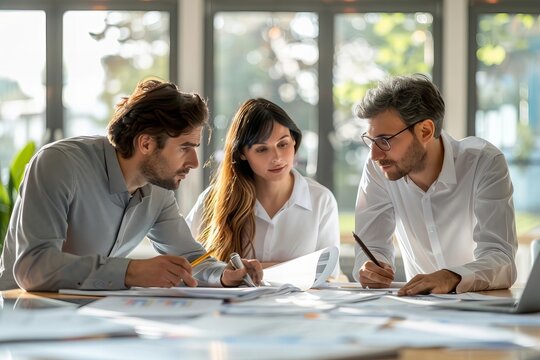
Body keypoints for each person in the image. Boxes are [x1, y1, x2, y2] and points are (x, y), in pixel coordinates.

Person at [0, 79, 262, 291]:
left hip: (96, 319)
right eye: (185, 148)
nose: (194, 162)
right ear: (146, 144)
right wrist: (130, 271)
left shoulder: (159, 187)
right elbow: (34, 267)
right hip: (24, 314)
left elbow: (191, 258)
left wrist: (225, 275)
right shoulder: (59, 163)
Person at [352, 74, 517, 295]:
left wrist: (451, 276)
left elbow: (501, 259)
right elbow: (371, 247)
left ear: (425, 131)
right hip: (417, 309)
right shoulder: (379, 168)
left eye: (384, 140)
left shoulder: (484, 162)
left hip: (480, 305)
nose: (374, 154)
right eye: (371, 140)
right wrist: (371, 267)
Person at [186, 98, 342, 279]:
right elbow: (188, 265)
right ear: (242, 154)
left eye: (283, 144)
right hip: (233, 306)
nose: (277, 157)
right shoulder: (213, 199)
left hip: (298, 307)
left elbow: (328, 275)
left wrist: (255, 270)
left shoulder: (321, 199)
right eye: (262, 149)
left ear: (294, 141)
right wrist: (296, 269)